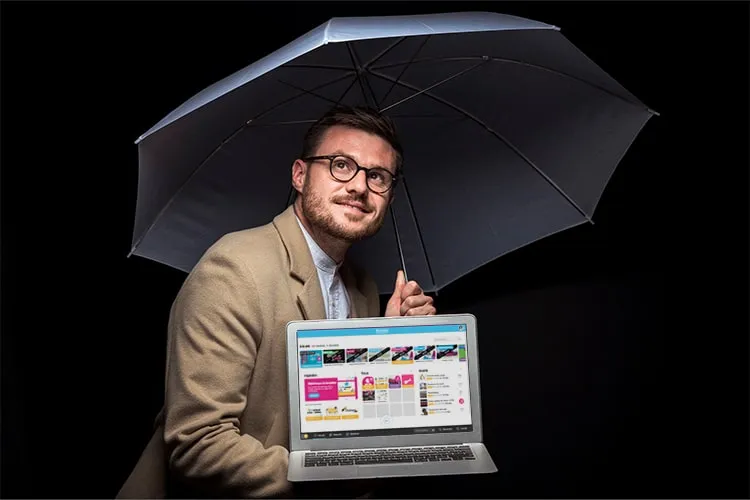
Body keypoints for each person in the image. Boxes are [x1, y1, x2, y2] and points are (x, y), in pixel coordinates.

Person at [116, 105, 436, 499]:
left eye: (377, 176)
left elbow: (345, 425)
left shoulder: (364, 288)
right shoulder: (233, 268)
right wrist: (333, 476)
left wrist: (391, 347)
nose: (359, 186)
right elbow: (197, 446)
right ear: (300, 175)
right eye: (340, 165)